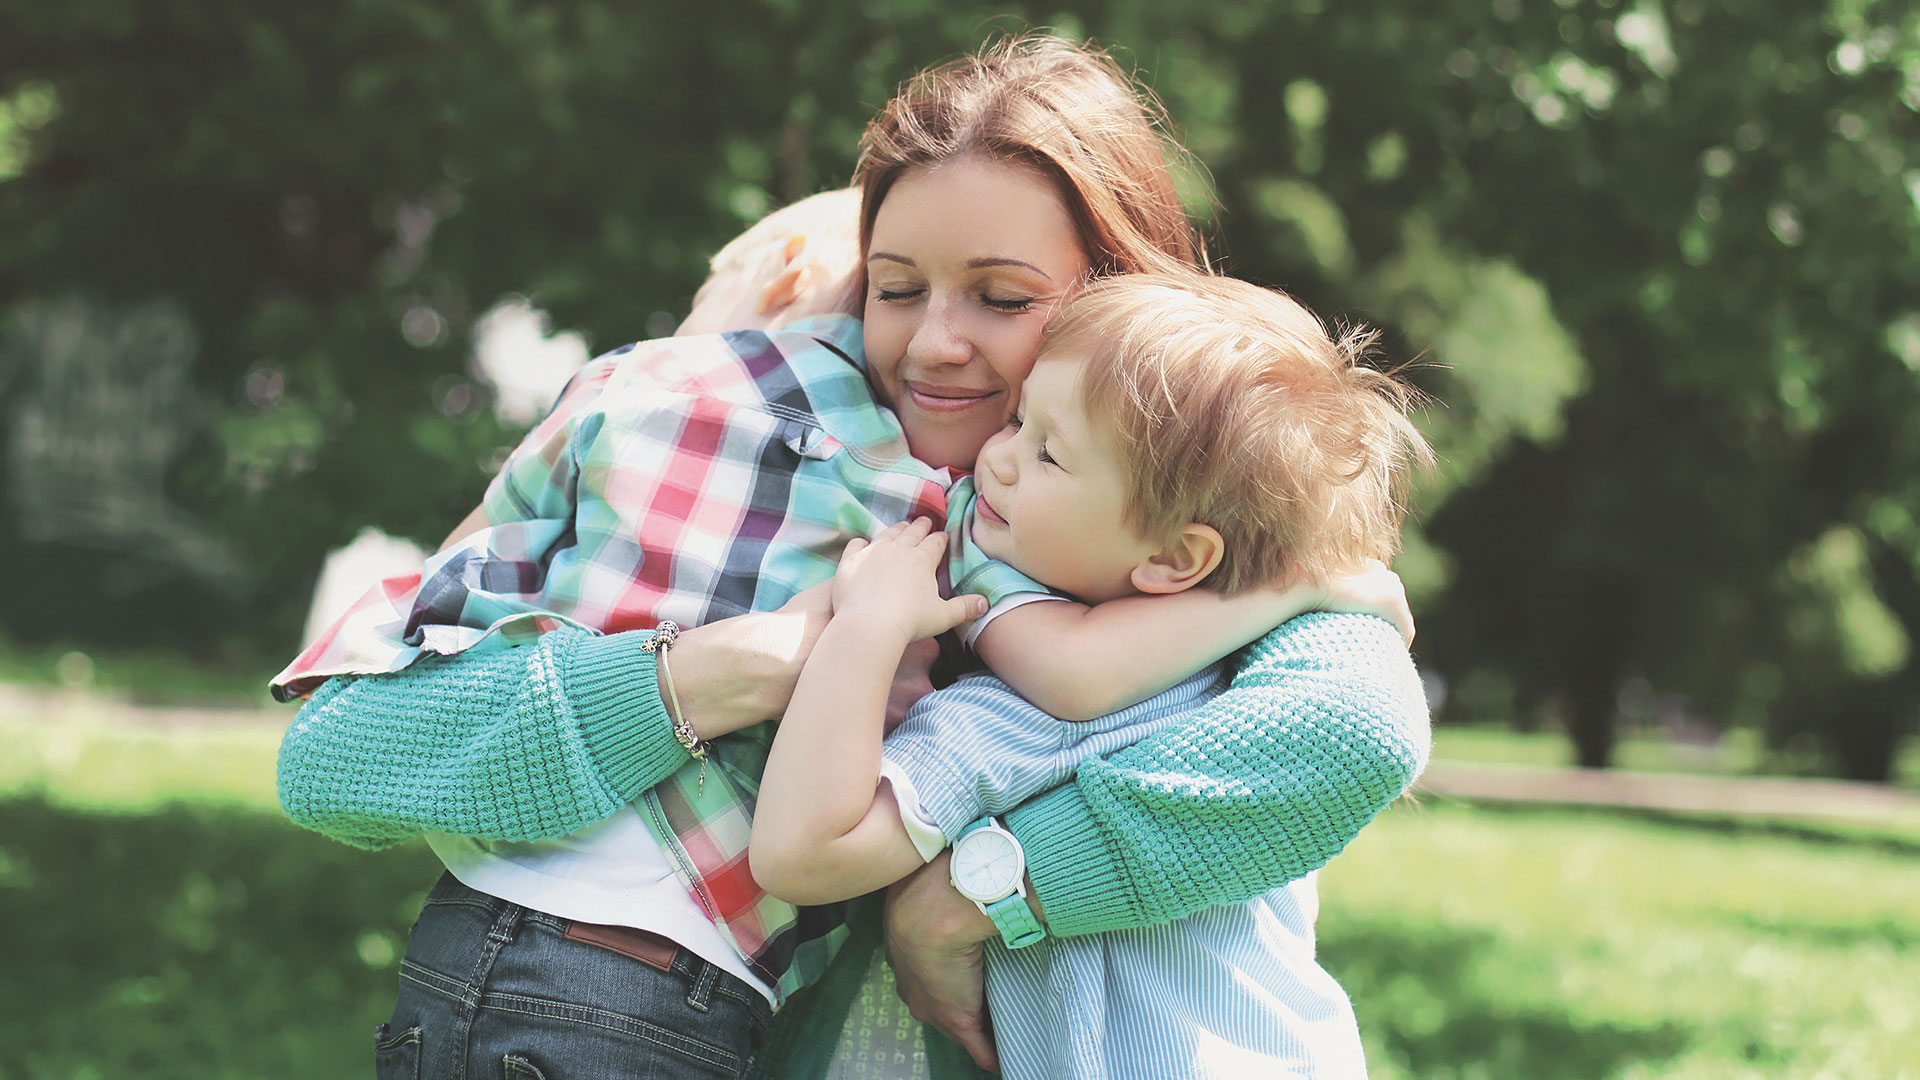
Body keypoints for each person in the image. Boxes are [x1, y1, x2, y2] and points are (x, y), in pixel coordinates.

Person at [271, 35, 1428, 1080]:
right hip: (622, 1002)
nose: (933, 344)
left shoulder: (1221, 506)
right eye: (892, 289)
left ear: (1117, 306)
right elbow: (335, 755)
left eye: (1005, 297)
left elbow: (1350, 731)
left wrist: (975, 900)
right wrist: (707, 672)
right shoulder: (772, 442)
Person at [750, 272, 1431, 1079]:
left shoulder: (1031, 721)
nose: (995, 461)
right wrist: (1295, 587)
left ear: (1178, 558)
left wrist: (865, 628)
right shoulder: (1257, 680)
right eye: (1018, 418)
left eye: (1048, 451)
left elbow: (804, 854)